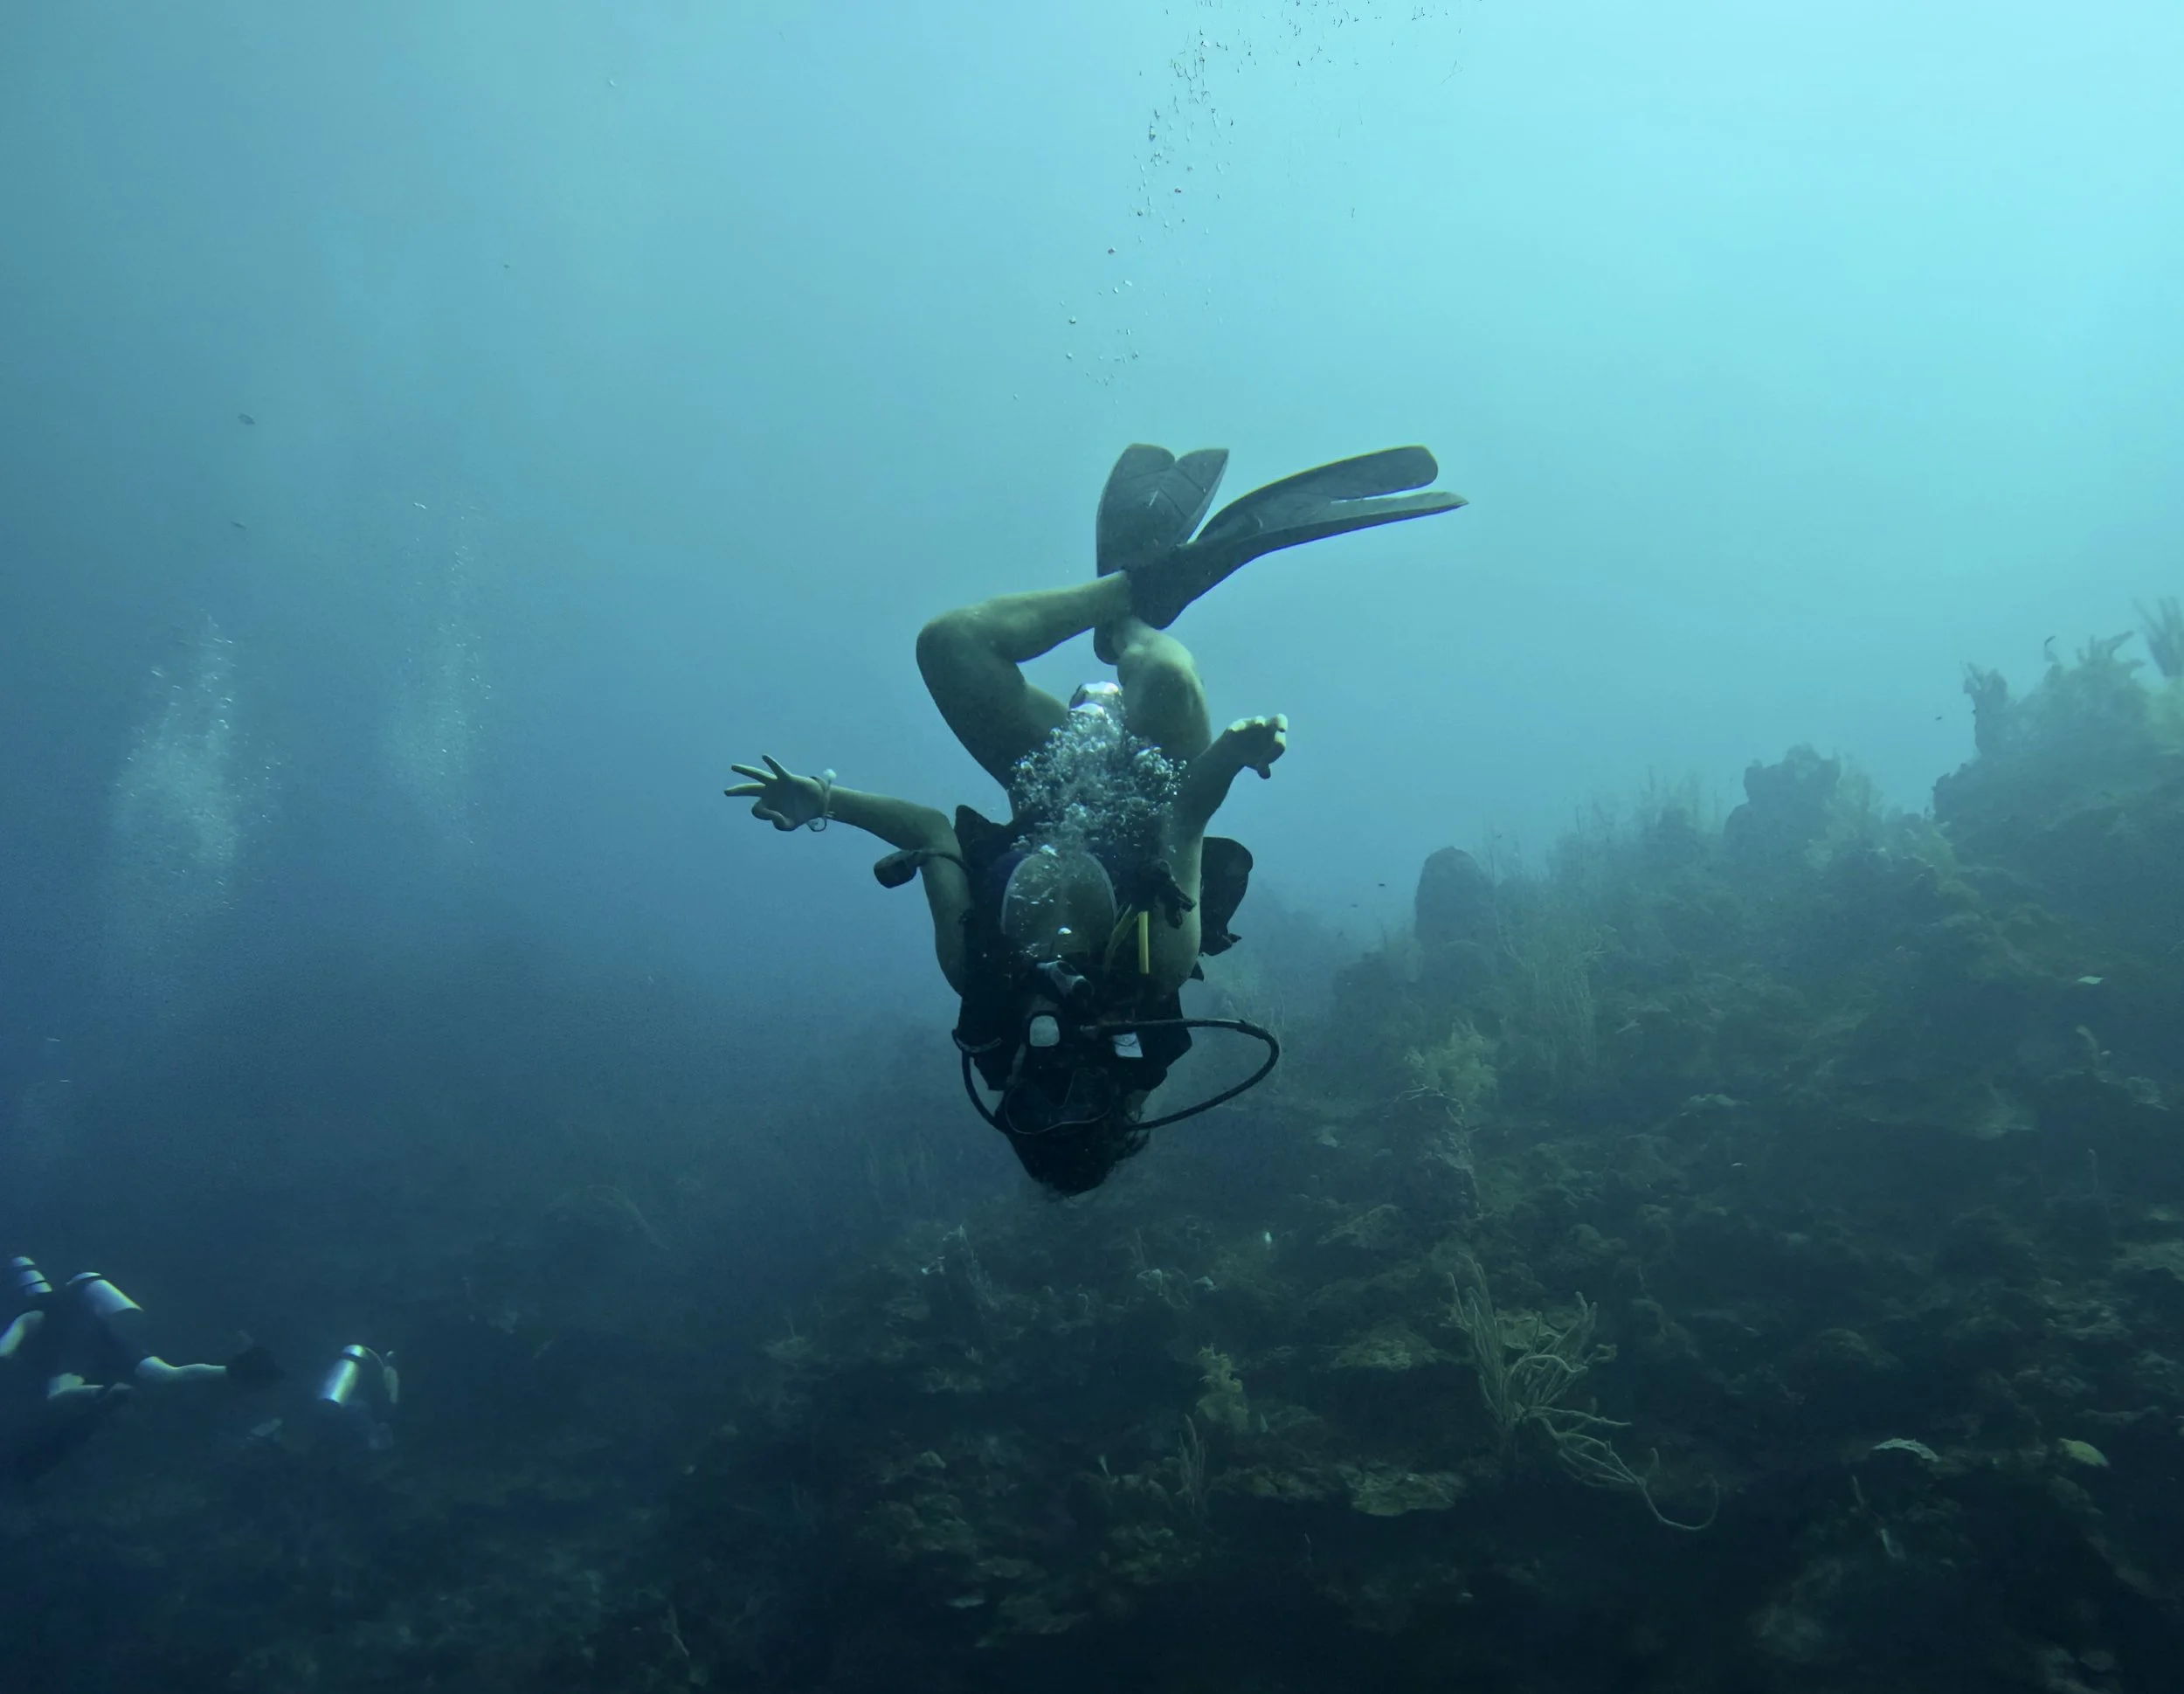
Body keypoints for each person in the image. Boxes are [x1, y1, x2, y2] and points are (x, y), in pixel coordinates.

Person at [728, 444, 1463, 1193]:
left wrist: (824, 801)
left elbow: (930, 835)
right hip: (1152, 784)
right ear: (1112, 1093)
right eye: (1074, 1099)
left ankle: (1128, 596)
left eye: (1031, 1104)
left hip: (1049, 779)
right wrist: (1237, 753)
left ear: (1005, 1097)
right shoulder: (1151, 966)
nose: (1052, 1075)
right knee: (1171, 681)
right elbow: (1183, 818)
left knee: (948, 646)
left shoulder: (976, 971)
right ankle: (1138, 633)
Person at [0, 1255, 280, 1489]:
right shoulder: (73, 1297)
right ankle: (236, 1371)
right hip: (113, 1347)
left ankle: (106, 1393)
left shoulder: (31, 1313)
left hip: (71, 1360)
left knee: (58, 1397)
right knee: (168, 1375)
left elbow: (4, 1350)